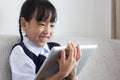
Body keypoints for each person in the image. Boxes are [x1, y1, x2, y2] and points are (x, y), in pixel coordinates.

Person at [9, 0, 82, 80]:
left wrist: (72, 74)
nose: (47, 31)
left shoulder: (56, 48)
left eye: (52, 25)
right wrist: (62, 74)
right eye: (42, 24)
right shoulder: (20, 52)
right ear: (23, 24)